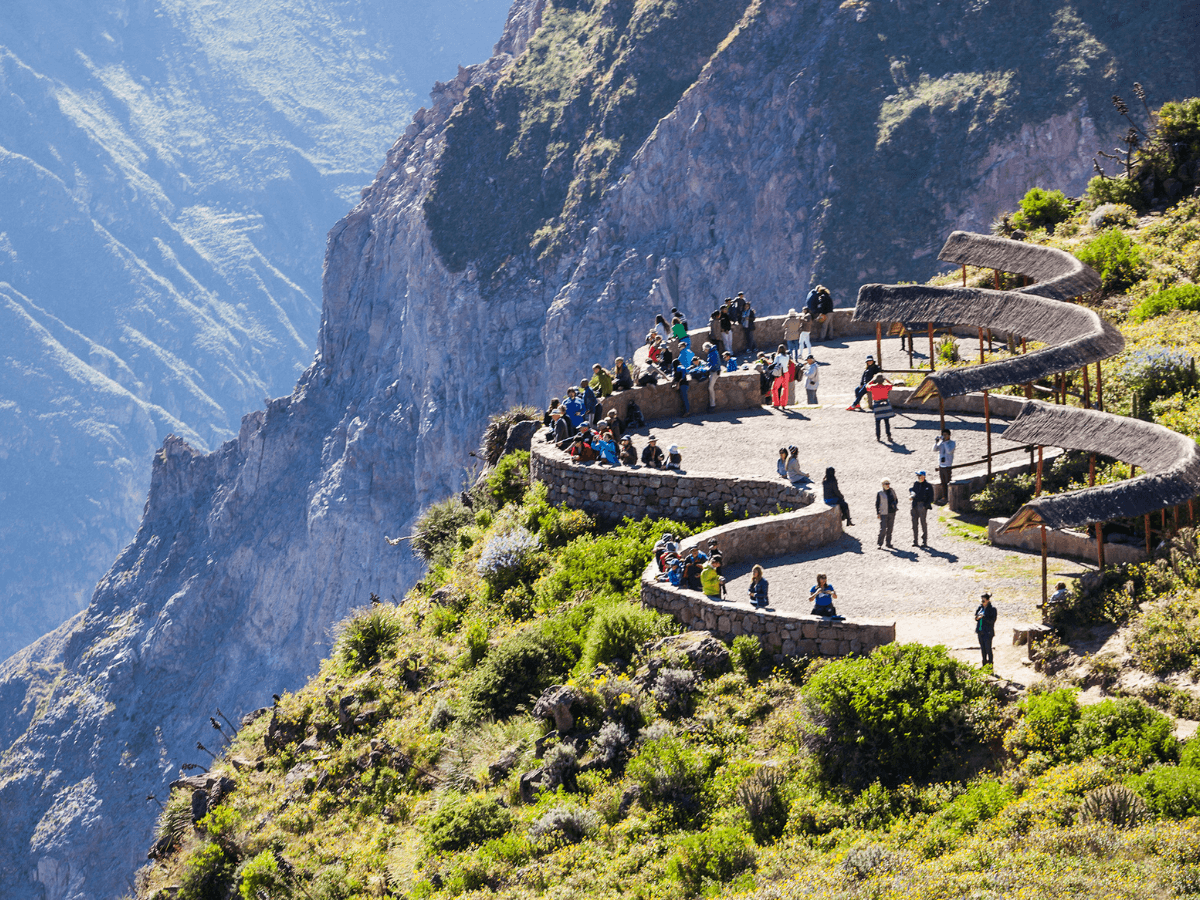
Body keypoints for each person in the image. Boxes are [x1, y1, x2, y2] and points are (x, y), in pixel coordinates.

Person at [867, 374, 896, 442]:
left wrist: (872, 380)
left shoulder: (872, 387)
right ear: (883, 381)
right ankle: (889, 436)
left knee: (877, 422)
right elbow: (892, 384)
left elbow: (867, 386)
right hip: (885, 404)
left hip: (877, 405)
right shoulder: (887, 386)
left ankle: (878, 437)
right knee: (887, 421)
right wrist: (887, 380)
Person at [909, 470, 934, 546]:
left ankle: (924, 541)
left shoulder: (928, 486)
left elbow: (931, 497)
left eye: (920, 476)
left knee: (923, 523)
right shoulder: (916, 484)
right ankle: (915, 541)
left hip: (922, 506)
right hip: (915, 505)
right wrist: (912, 494)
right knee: (914, 524)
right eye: (918, 476)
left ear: (924, 476)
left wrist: (925, 506)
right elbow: (912, 490)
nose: (918, 477)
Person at [975, 593, 997, 668]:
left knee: (988, 649)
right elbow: (976, 617)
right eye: (982, 600)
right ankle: (984, 664)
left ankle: (990, 665)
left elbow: (992, 621)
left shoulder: (992, 609)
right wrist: (977, 618)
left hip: (988, 632)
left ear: (988, 600)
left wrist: (983, 617)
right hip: (980, 631)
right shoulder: (980, 607)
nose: (982, 601)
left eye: (984, 600)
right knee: (983, 649)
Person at [934, 429, 956, 504]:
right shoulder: (941, 443)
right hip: (941, 465)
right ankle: (944, 497)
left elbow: (949, 451)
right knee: (943, 482)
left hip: (948, 465)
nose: (944, 436)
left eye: (946, 435)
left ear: (949, 435)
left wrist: (945, 442)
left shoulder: (952, 443)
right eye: (943, 435)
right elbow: (934, 450)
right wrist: (936, 442)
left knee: (948, 482)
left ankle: (950, 498)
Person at [876, 478, 898, 549]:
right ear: (882, 485)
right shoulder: (880, 493)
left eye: (888, 484)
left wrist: (894, 504)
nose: (887, 485)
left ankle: (888, 543)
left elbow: (896, 499)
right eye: (886, 484)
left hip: (892, 512)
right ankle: (879, 543)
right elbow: (877, 503)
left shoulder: (892, 491)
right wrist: (878, 513)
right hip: (883, 513)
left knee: (890, 529)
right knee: (883, 528)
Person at [705, 341, 722, 410]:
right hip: (715, 370)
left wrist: (708, 369)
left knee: (710, 388)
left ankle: (712, 404)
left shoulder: (712, 353)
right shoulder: (713, 352)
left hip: (714, 372)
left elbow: (714, 364)